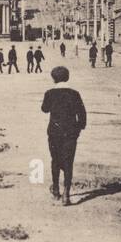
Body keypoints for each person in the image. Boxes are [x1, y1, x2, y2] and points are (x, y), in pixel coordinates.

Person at [41, 66, 87, 207]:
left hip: (54, 131)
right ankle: (66, 194)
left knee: (55, 159)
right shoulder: (75, 94)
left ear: (54, 78)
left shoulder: (49, 93)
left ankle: (56, 190)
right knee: (69, 161)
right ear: (67, 77)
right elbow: (82, 114)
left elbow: (44, 109)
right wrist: (79, 128)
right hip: (70, 132)